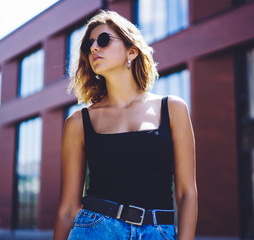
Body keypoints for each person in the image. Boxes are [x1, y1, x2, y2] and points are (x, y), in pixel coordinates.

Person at [53, 10, 197, 240]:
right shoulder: (78, 122)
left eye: (103, 40)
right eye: (88, 46)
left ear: (132, 51)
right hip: (96, 230)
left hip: (158, 232)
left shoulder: (173, 109)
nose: (93, 49)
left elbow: (186, 193)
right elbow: (68, 208)